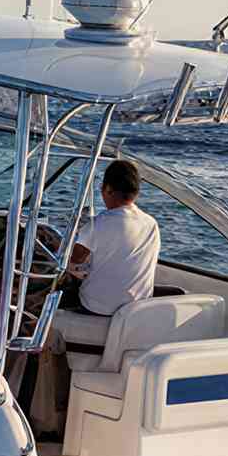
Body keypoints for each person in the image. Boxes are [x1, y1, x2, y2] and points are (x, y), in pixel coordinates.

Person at [27, 159, 160, 439]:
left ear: (108, 190)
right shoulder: (151, 225)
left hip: (97, 311)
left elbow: (68, 261)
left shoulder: (100, 223)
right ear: (135, 193)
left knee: (38, 319)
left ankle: (41, 414)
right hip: (137, 317)